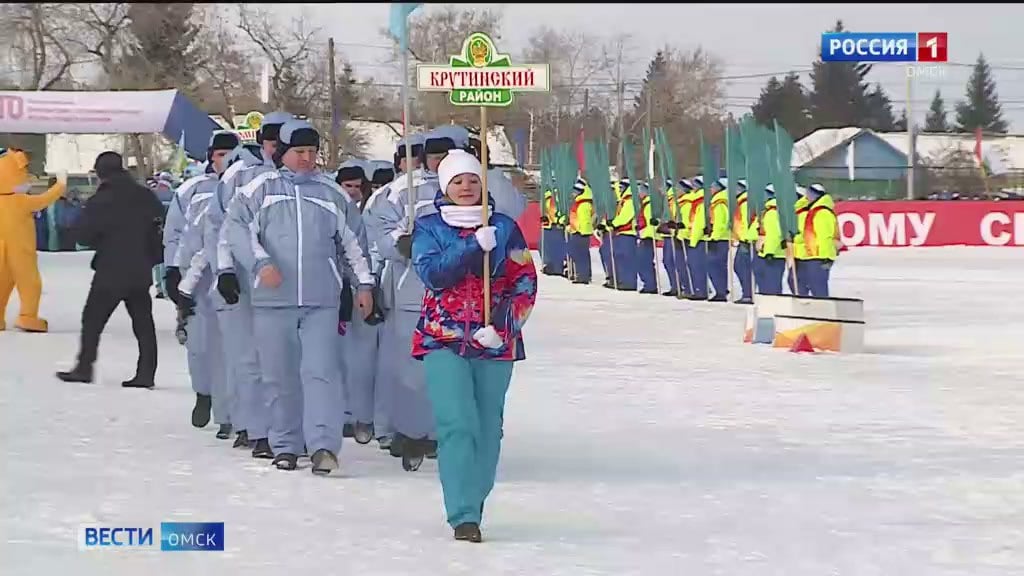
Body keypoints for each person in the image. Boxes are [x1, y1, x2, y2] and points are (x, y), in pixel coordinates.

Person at [224, 119, 376, 475]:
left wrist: (364, 285)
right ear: (282, 153)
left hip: (321, 300)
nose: (307, 158)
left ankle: (323, 445)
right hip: (272, 300)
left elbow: (353, 244)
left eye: (312, 152)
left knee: (322, 372)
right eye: (299, 152)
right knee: (280, 375)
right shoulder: (258, 189)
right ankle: (286, 444)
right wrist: (260, 264)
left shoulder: (331, 194)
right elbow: (237, 231)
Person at [410, 150, 538, 543]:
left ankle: (474, 502)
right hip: (442, 338)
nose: (466, 188)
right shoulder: (429, 227)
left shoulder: (504, 227)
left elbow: (524, 280)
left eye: (472, 181)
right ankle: (462, 513)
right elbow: (432, 274)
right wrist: (471, 248)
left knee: (487, 429)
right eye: (457, 182)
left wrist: (503, 327)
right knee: (456, 423)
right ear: (445, 188)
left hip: (494, 343)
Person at [56, 152, 163, 387]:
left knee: (92, 319)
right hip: (139, 269)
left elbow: (84, 235)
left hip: (110, 270)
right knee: (143, 323)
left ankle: (84, 367)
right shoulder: (145, 195)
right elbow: (160, 228)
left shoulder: (100, 200)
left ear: (101, 173)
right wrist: (152, 258)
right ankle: (146, 373)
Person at [174, 130, 243, 439]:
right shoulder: (192, 190)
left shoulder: (243, 187)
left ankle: (228, 414)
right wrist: (174, 272)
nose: (224, 161)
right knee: (202, 348)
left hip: (233, 281)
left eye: (230, 154)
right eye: (219, 155)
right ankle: (204, 393)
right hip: (199, 282)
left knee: (232, 352)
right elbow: (178, 235)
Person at [0, 149, 67, 332]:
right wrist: (60, 185)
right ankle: (27, 316)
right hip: (21, 250)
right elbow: (45, 199)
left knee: (1, 283)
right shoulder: (21, 201)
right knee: (29, 283)